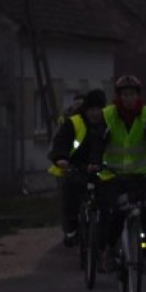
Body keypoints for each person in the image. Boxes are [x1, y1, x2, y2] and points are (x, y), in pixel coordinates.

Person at [91, 75, 146, 273]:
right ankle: (108, 251)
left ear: (138, 96)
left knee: (142, 213)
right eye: (125, 95)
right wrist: (96, 162)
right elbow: (98, 142)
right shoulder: (108, 115)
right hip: (113, 176)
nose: (128, 98)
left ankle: (145, 256)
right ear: (119, 96)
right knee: (117, 211)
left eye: (132, 94)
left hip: (139, 175)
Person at [46, 89, 107, 246]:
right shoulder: (73, 122)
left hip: (101, 168)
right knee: (71, 192)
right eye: (92, 109)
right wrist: (60, 158)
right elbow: (60, 142)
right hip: (77, 166)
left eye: (99, 109)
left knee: (109, 200)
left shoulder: (107, 124)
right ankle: (71, 228)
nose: (95, 113)